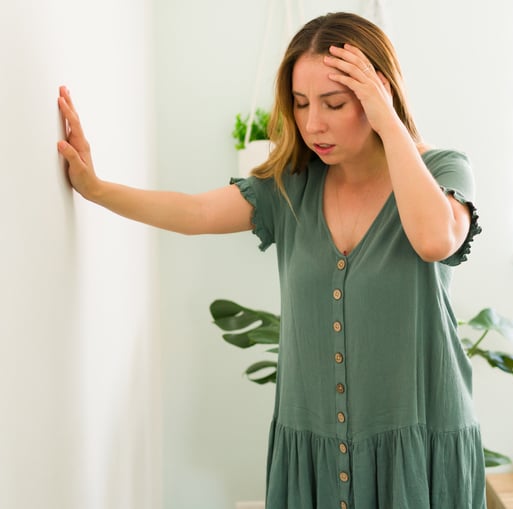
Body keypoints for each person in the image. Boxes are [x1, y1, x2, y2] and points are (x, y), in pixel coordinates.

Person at [57, 11, 485, 509]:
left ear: (377, 94)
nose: (312, 123)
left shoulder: (442, 170)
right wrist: (95, 189)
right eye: (301, 104)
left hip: (420, 447)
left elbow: (436, 240)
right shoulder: (291, 188)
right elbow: (194, 211)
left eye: (334, 103)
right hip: (313, 448)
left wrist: (390, 124)